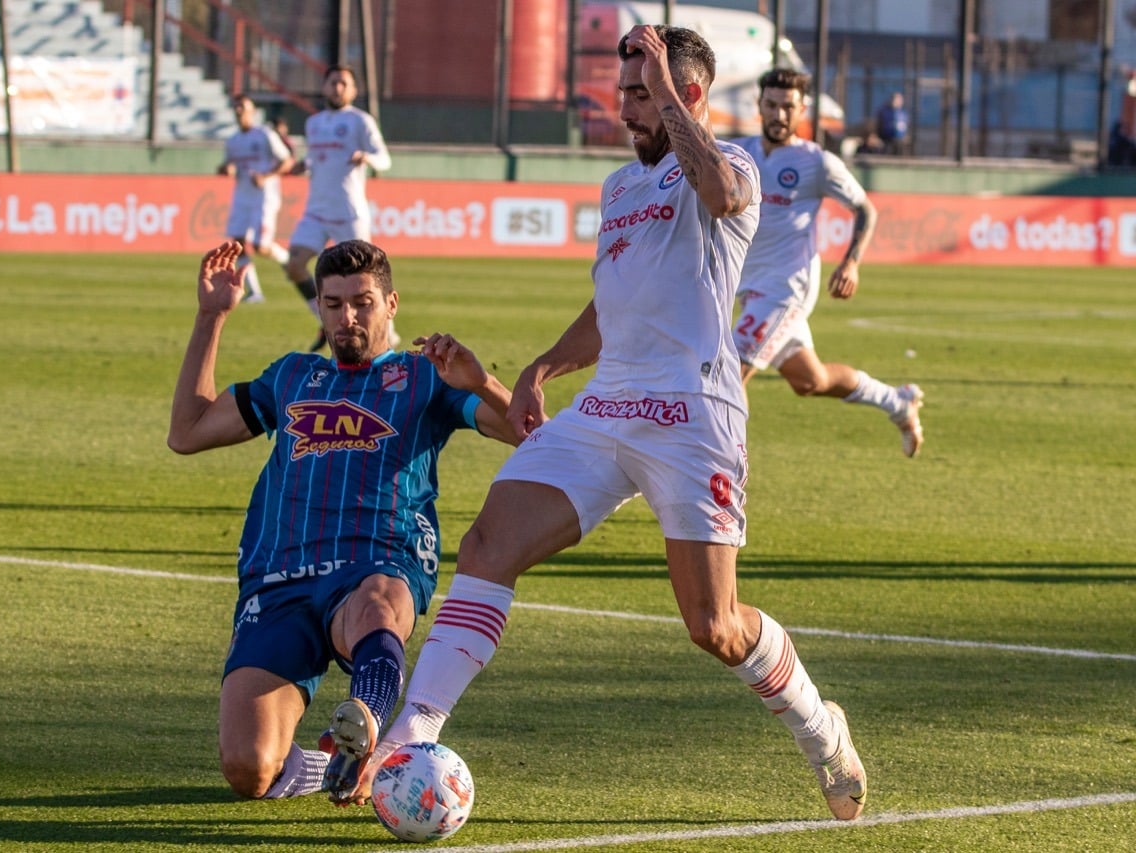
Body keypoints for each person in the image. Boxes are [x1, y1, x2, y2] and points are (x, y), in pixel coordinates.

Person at [357, 25, 868, 822]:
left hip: (693, 413)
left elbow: (725, 198)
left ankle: (819, 727)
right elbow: (612, 304)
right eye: (625, 92)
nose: (624, 108)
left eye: (642, 94)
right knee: (489, 542)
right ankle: (410, 733)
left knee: (716, 626)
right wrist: (540, 368)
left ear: (685, 94)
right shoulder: (618, 188)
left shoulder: (732, 166)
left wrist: (667, 90)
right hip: (606, 407)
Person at [167, 238, 518, 805]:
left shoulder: (425, 377)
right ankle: (336, 761)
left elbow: (532, 433)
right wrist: (211, 317)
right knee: (249, 770)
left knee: (377, 606)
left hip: (378, 561)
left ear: (391, 303)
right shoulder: (290, 377)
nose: (347, 317)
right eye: (333, 304)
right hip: (279, 580)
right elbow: (187, 433)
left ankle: (369, 730)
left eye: (362, 302)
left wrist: (480, 382)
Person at [734, 69, 924, 457]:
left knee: (728, 377)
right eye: (772, 105)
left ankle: (722, 487)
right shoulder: (740, 153)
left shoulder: (816, 162)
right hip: (748, 288)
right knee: (810, 381)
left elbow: (865, 210)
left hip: (785, 290)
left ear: (802, 109)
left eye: (788, 107)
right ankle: (898, 402)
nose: (779, 115)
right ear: (760, 106)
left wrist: (851, 262)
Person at [286, 64, 397, 352]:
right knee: (294, 265)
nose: (337, 88)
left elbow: (384, 158)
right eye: (333, 83)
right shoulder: (314, 123)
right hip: (316, 210)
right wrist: (304, 164)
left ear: (353, 91)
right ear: (324, 87)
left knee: (367, 276)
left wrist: (367, 158)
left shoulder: (361, 121)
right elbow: (317, 158)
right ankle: (324, 319)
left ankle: (389, 331)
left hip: (348, 211)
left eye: (343, 84)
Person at [217, 93, 296, 304]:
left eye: (243, 107)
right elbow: (228, 165)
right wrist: (226, 168)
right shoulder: (233, 140)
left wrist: (265, 176)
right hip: (242, 196)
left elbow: (287, 161)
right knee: (237, 243)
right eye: (236, 107)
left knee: (261, 246)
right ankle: (254, 291)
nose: (239, 111)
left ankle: (290, 261)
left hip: (265, 196)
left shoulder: (264, 134)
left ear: (252, 111)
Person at [875, 91, 908, 155]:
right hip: (886, 137)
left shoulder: (903, 113)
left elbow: (905, 126)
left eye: (900, 100)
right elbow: (878, 125)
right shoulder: (884, 111)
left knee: (900, 147)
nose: (898, 102)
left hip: (899, 139)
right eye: (896, 100)